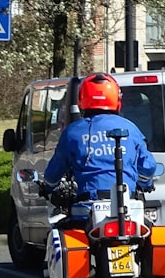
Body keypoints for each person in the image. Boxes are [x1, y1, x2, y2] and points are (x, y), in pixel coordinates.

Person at [41, 73, 157, 201]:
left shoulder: (72, 132)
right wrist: (145, 183)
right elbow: (147, 166)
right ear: (117, 98)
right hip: (128, 207)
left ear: (81, 98)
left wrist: (48, 187)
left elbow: (54, 171)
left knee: (64, 220)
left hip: (87, 208)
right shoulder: (130, 128)